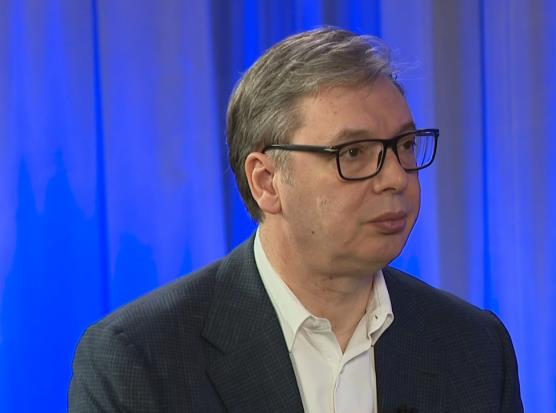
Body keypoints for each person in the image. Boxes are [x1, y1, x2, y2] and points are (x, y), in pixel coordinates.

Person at [68, 27, 523, 413]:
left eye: (404, 146)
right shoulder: (139, 359)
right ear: (266, 182)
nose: (395, 178)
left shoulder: (475, 347)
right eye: (354, 153)